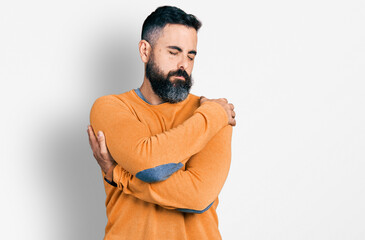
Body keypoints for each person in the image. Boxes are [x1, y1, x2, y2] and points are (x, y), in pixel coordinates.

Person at [87, 6, 236, 240]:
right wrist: (213, 117)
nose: (184, 64)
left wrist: (117, 174)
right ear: (145, 51)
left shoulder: (212, 113)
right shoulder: (110, 107)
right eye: (174, 52)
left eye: (190, 55)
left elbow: (197, 197)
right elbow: (151, 166)